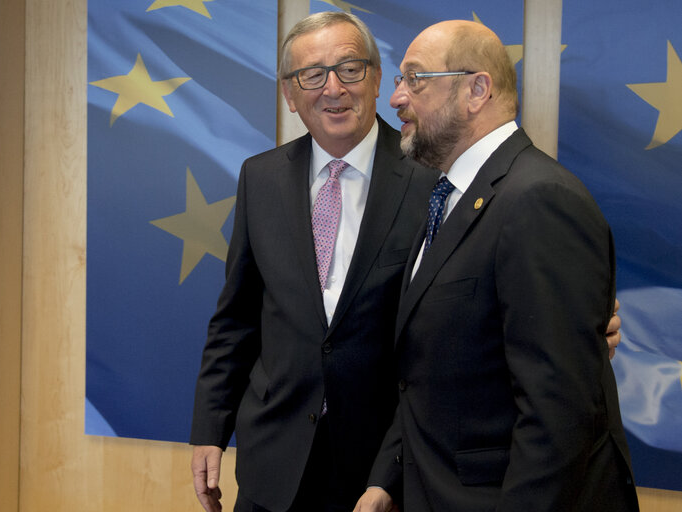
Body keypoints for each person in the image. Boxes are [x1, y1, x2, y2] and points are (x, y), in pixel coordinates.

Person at [190, 12, 624, 512]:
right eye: (312, 75)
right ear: (290, 93)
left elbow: (538, 355)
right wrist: (210, 426)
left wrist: (584, 327)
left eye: (350, 68)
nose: (333, 88)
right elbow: (237, 318)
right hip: (276, 460)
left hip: (393, 465)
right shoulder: (259, 178)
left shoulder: (436, 176)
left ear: (374, 78)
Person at [354, 20, 639, 512]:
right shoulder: (445, 198)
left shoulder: (539, 200)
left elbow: (559, 413)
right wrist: (387, 479)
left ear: (476, 90)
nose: (396, 98)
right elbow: (430, 369)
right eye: (401, 81)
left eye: (415, 79)